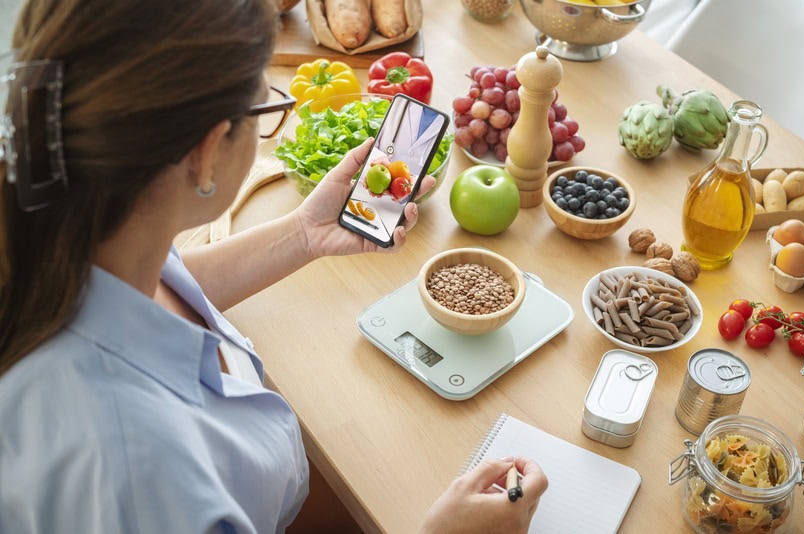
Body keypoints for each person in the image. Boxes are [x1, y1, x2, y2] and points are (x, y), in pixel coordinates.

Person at [0, 1, 548, 532]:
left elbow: (169, 284)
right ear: (209, 151)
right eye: (266, 109)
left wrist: (301, 235)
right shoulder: (141, 475)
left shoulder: (91, 229)